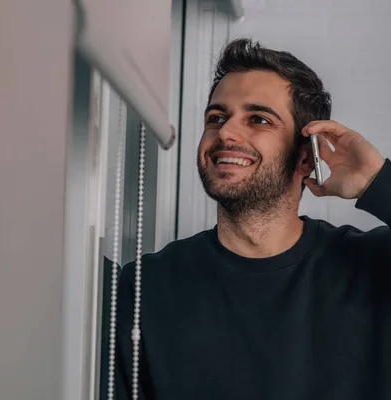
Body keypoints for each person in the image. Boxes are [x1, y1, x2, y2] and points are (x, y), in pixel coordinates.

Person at [115, 38, 391, 399]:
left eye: (258, 119)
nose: (226, 132)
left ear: (306, 158)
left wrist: (377, 180)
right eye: (216, 118)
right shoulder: (146, 285)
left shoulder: (376, 264)